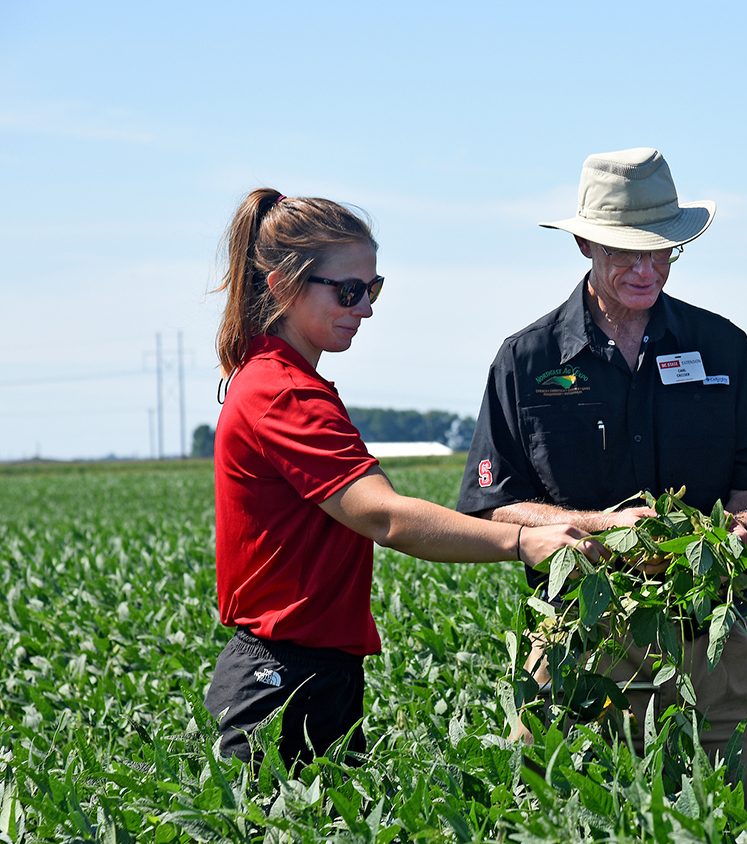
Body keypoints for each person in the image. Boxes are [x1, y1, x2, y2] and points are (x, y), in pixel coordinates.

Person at [206, 188, 594, 768]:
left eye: (373, 289)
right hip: (280, 679)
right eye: (349, 291)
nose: (365, 307)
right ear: (284, 284)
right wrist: (521, 540)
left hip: (312, 669)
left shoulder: (281, 381)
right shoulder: (283, 393)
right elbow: (384, 516)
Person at [455, 148, 747, 802]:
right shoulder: (527, 360)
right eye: (624, 253)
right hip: (581, 631)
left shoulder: (722, 347)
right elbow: (492, 506)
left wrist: (724, 545)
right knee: (565, 810)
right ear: (584, 242)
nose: (645, 269)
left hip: (711, 629)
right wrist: (605, 528)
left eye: (661, 250)